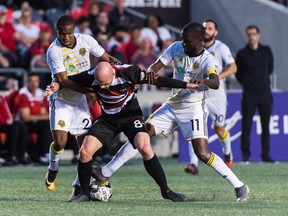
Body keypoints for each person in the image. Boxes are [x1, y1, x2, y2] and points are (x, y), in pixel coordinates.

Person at [91, 22, 250, 202]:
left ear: (199, 40)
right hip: (172, 106)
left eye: (187, 41)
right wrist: (151, 72)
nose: (183, 44)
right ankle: (105, 172)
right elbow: (156, 65)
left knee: (202, 153)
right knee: (140, 135)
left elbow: (215, 82)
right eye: (182, 40)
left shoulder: (208, 59)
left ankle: (239, 186)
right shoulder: (176, 47)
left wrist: (203, 80)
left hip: (193, 109)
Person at [47, 61, 198, 202]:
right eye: (100, 84)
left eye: (106, 83)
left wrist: (187, 85)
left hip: (130, 116)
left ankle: (166, 191)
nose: (103, 87)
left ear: (113, 74)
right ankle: (84, 193)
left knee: (144, 146)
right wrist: (56, 87)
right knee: (85, 151)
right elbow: (67, 80)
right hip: (108, 119)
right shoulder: (91, 75)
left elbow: (158, 80)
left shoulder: (129, 72)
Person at [44, 14, 119, 196]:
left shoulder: (86, 40)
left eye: (69, 34)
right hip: (62, 99)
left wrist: (125, 70)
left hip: (80, 103)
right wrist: (88, 91)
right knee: (60, 142)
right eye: (62, 34)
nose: (66, 37)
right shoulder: (54, 51)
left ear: (74, 31)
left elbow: (106, 58)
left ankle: (78, 185)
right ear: (57, 32)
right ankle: (53, 168)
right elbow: (63, 80)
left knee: (86, 148)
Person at [184, 19, 237, 174]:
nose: (206, 30)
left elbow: (233, 67)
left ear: (216, 32)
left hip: (217, 96)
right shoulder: (194, 48)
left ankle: (228, 152)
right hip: (199, 95)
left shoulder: (221, 47)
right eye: (205, 27)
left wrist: (216, 78)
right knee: (195, 129)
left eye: (210, 28)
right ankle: (193, 163)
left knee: (219, 128)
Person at [235, 25, 274, 163]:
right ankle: (245, 155)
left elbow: (270, 68)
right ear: (247, 36)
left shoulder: (266, 51)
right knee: (246, 125)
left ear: (258, 35)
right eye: (249, 34)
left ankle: (266, 154)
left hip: (265, 94)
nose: (252, 36)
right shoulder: (242, 53)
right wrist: (247, 83)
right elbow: (238, 74)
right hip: (249, 94)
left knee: (266, 126)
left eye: (254, 34)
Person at [15, 73, 52, 164]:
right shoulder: (23, 94)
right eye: (31, 81)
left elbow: (46, 114)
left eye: (36, 81)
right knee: (45, 124)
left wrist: (38, 117)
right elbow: (26, 117)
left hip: (35, 122)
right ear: (27, 82)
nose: (34, 84)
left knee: (49, 124)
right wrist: (40, 117)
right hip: (22, 123)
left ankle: (44, 154)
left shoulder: (40, 93)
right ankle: (41, 154)